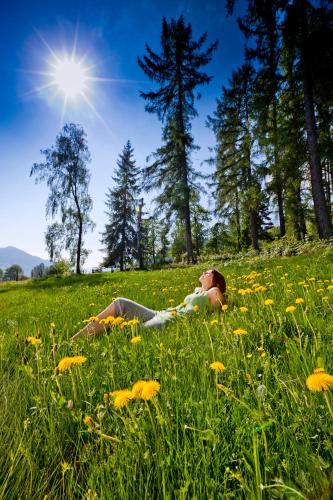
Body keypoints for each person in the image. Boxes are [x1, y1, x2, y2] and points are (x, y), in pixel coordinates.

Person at [72, 269, 226, 340]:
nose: (204, 273)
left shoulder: (214, 292)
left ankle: (90, 342)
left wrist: (211, 288)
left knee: (124, 335)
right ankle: (77, 339)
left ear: (215, 281)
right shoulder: (199, 291)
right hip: (161, 312)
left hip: (171, 320)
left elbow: (221, 304)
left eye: (208, 273)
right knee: (120, 303)